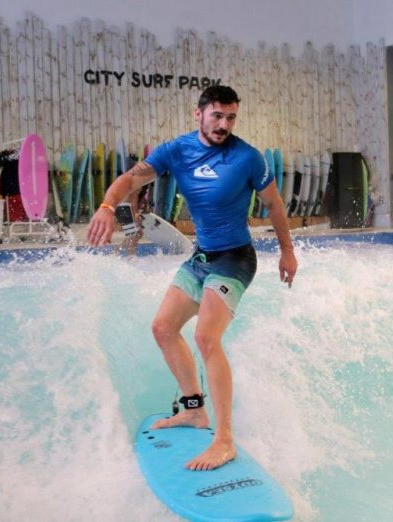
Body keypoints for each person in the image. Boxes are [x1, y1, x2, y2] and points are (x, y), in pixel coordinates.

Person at [87, 85, 298, 471]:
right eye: (217, 116)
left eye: (231, 117)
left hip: (235, 258)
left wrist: (287, 252)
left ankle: (224, 440)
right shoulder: (176, 150)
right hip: (202, 257)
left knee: (205, 336)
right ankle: (194, 411)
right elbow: (129, 181)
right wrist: (105, 206)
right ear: (197, 114)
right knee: (163, 328)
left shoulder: (248, 158)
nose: (223, 125)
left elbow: (275, 205)